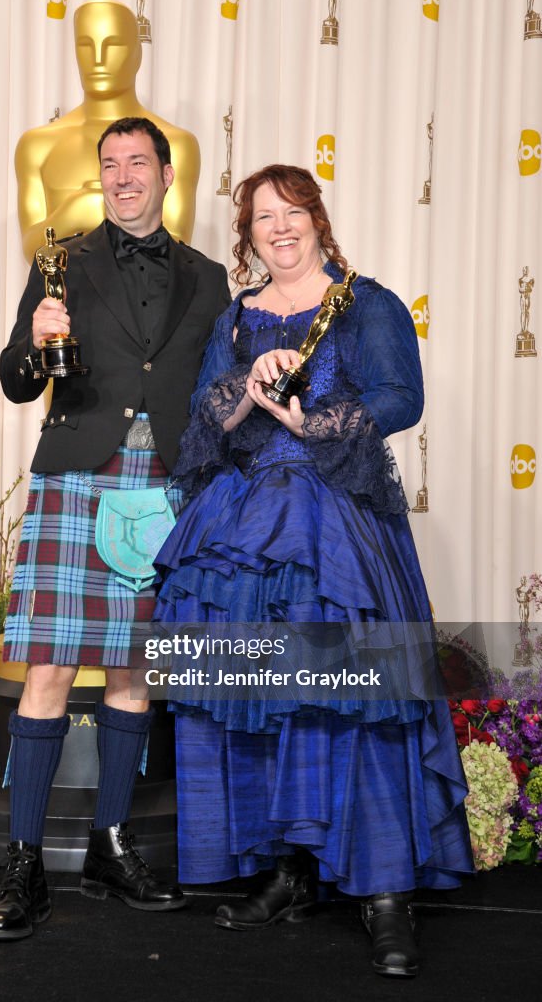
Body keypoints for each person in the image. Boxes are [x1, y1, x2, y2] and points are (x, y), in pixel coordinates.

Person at [153, 164, 474, 977]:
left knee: (355, 704)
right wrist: (245, 384)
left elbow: (401, 397)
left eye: (291, 212)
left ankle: (385, 896)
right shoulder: (235, 318)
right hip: (244, 535)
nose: (279, 227)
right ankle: (290, 872)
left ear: (316, 219)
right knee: (259, 700)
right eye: (263, 217)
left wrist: (314, 416)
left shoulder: (367, 304)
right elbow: (203, 415)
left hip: (336, 530)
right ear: (248, 233)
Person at [0, 117, 230, 941]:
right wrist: (35, 344)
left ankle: (111, 846)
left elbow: (215, 390)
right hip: (79, 472)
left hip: (167, 486)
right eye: (111, 165)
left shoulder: (208, 276)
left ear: (166, 174)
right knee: (48, 668)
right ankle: (22, 863)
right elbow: (18, 378)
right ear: (102, 178)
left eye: (138, 163)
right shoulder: (62, 263)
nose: (124, 176)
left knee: (133, 673)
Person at [15, 0, 200, 260]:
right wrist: (75, 212)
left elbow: (179, 246)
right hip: (64, 298)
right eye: (85, 45)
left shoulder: (177, 143)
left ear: (138, 54)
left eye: (112, 45)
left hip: (144, 297)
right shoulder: (38, 145)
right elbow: (31, 250)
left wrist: (97, 214)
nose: (98, 59)